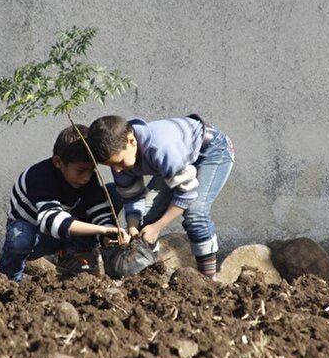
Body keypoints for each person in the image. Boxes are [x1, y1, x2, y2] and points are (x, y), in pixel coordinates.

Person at [87, 115, 234, 280]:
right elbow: (132, 196)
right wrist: (133, 226)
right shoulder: (120, 159)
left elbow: (187, 194)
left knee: (195, 214)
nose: (118, 170)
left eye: (119, 162)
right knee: (146, 220)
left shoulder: (160, 149)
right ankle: (150, 277)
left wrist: (157, 227)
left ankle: (209, 280)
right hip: (175, 163)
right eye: (111, 165)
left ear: (131, 141)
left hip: (211, 151)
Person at [0, 125, 130, 282]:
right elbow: (53, 221)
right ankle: (10, 279)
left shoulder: (87, 179)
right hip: (34, 233)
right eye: (81, 171)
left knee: (113, 192)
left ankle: (74, 255)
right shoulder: (40, 177)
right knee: (20, 239)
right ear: (58, 162)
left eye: (91, 170)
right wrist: (103, 230)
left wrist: (109, 235)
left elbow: (99, 211)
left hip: (63, 228)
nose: (87, 177)